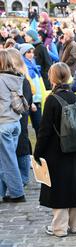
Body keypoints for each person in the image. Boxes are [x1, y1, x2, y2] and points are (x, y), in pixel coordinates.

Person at [34, 62, 76, 237]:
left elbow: (45, 130)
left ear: (53, 77)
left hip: (57, 150)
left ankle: (59, 228)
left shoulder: (52, 100)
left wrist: (37, 152)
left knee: (59, 188)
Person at [0, 50, 26, 203]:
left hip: (3, 123)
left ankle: (17, 193)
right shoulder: (16, 77)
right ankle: (3, 191)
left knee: (8, 160)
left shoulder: (2, 79)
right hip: (15, 122)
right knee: (5, 159)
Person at [8, 48, 32, 187]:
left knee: (21, 145)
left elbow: (25, 101)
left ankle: (22, 177)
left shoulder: (22, 79)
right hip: (12, 117)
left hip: (18, 117)